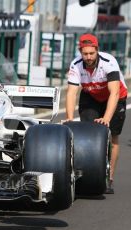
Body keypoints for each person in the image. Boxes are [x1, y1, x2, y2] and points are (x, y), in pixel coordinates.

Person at [65, 33, 128, 194]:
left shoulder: (109, 62)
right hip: (91, 95)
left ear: (97, 50)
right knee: (85, 134)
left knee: (112, 136)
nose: (88, 57)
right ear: (80, 52)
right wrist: (70, 118)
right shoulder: (76, 64)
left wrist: (106, 118)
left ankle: (109, 178)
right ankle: (84, 174)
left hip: (114, 96)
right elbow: (71, 93)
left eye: (91, 53)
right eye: (85, 53)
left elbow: (114, 93)